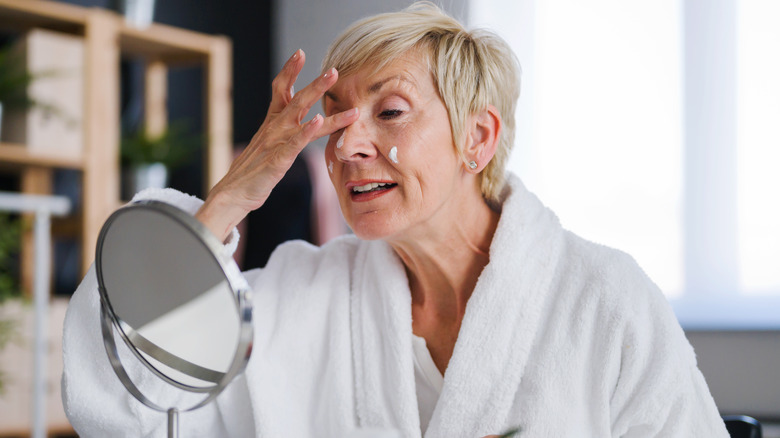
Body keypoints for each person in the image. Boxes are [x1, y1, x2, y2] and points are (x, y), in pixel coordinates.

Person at [62, 3, 729, 437]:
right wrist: (235, 192)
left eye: (390, 112)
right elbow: (126, 406)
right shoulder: (302, 295)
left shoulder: (602, 302)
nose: (346, 146)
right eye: (337, 119)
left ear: (478, 138)